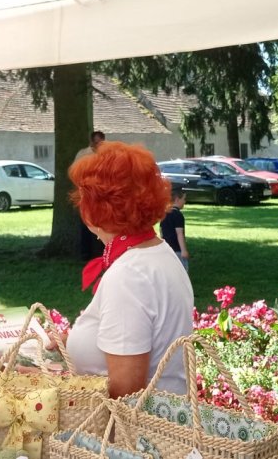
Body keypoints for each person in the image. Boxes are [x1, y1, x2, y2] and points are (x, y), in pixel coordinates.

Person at [65, 141, 194, 398]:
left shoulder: (129, 274)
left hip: (131, 434)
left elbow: (124, 392)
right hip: (162, 426)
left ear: (92, 212)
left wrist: (55, 388)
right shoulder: (159, 253)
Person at [75, 131, 106, 259]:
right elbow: (76, 172)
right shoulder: (83, 154)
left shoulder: (107, 154)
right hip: (86, 193)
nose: (99, 144)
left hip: (102, 194)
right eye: (97, 142)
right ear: (92, 142)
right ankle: (85, 253)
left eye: (101, 142)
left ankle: (103, 251)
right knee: (86, 224)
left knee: (103, 224)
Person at [160, 188, 189, 272]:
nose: (184, 201)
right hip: (177, 249)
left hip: (167, 249)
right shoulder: (178, 215)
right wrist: (184, 250)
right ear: (177, 199)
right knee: (182, 272)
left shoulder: (164, 214)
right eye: (183, 199)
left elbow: (161, 231)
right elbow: (179, 234)